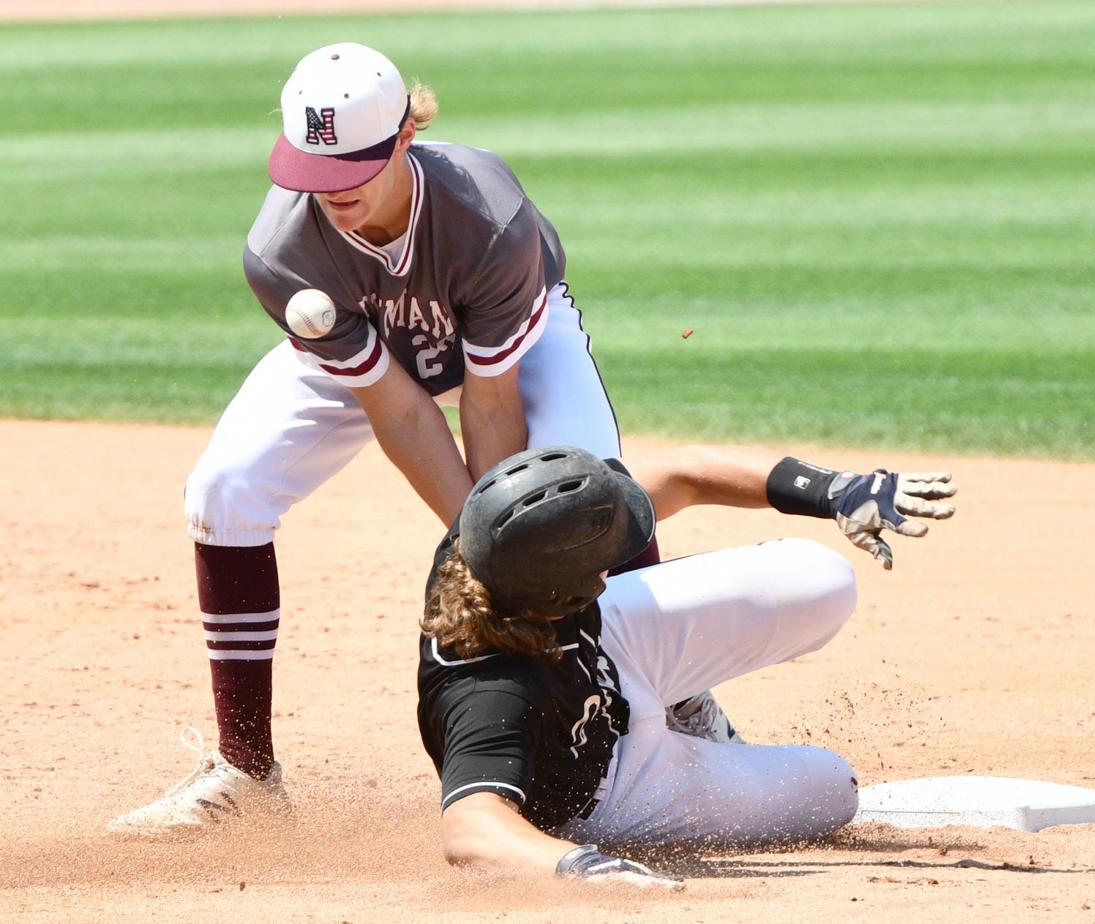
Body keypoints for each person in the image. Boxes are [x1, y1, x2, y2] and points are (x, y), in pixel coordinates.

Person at [107, 42, 734, 837]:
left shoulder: (488, 216)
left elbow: (489, 398)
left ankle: (682, 702)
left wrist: (520, 528)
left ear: (405, 137)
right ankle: (246, 769)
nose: (327, 193)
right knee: (222, 492)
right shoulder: (281, 252)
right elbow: (400, 410)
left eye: (351, 171)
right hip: (375, 362)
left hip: (512, 351)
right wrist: (487, 553)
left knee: (584, 493)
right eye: (312, 170)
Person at [419, 445, 956, 888]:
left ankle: (681, 695)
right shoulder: (491, 694)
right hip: (617, 784)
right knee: (834, 787)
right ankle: (678, 721)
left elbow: (683, 473)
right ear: (568, 588)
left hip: (612, 643)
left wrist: (832, 489)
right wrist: (582, 866)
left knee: (823, 578)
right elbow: (469, 827)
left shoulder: (506, 538)